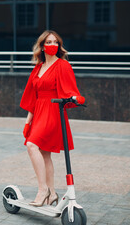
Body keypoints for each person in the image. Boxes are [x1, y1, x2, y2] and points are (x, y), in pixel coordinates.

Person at [20, 30, 85, 207]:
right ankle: (52, 192)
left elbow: (70, 89)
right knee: (44, 153)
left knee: (32, 146)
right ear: (42, 46)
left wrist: (76, 97)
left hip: (53, 111)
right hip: (38, 112)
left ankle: (43, 190)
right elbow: (33, 98)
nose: (52, 45)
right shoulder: (38, 67)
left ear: (59, 46)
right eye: (48, 42)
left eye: (56, 42)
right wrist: (28, 122)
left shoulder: (62, 65)